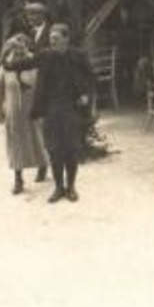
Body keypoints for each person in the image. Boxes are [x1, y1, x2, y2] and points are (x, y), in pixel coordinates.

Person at [33, 23, 95, 202]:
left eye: (56, 39)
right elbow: (27, 62)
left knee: (71, 149)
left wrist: (85, 95)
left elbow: (91, 77)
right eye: (51, 39)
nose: (52, 42)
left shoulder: (78, 55)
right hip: (51, 109)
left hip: (71, 109)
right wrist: (7, 60)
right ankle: (58, 188)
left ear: (66, 39)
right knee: (54, 150)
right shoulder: (45, 55)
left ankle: (71, 187)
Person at [0, 28, 48, 195]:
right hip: (13, 109)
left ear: (28, 46)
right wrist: (0, 110)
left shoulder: (34, 62)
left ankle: (43, 165)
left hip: (32, 107)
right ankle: (18, 178)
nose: (19, 48)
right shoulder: (6, 64)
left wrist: (43, 107)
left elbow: (43, 86)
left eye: (23, 45)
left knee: (37, 138)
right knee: (15, 142)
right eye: (15, 46)